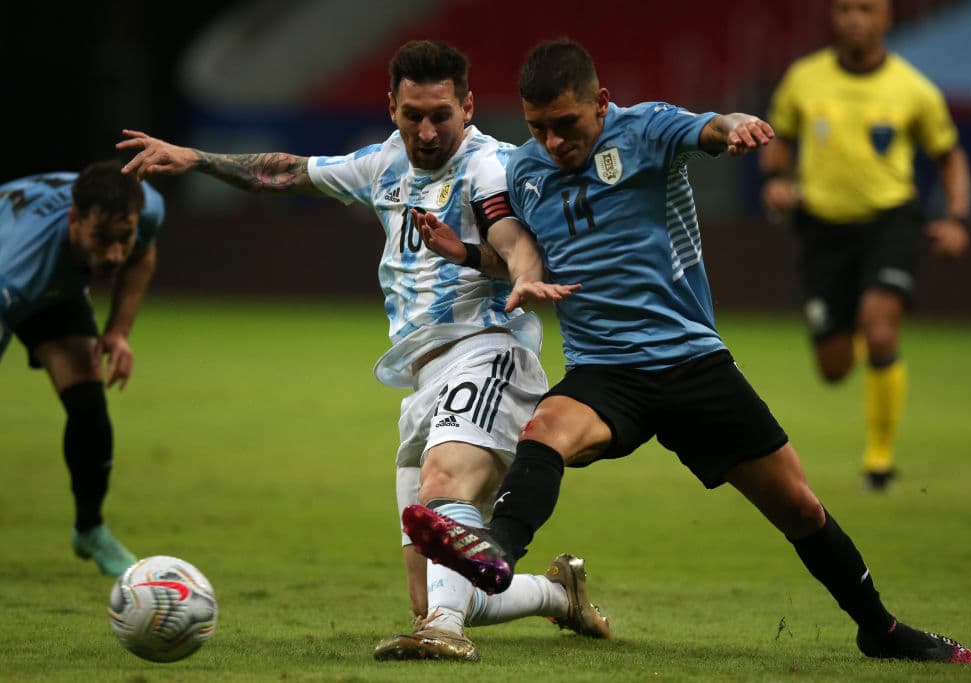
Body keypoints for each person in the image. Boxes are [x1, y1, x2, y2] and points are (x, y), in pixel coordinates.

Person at [402, 39, 971, 664]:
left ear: (601, 102)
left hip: (691, 362)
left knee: (798, 506)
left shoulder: (645, 129)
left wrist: (738, 128)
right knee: (544, 431)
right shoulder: (526, 171)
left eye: (566, 124)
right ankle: (497, 553)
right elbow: (524, 257)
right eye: (538, 128)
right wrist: (467, 255)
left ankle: (879, 629)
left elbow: (711, 127)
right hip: (604, 371)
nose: (553, 142)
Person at [117, 40, 608, 662]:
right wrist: (195, 159)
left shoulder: (489, 166)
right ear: (391, 108)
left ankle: (444, 635)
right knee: (435, 593)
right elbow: (287, 172)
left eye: (441, 116)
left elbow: (508, 233)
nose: (426, 132)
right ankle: (557, 593)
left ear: (468, 107)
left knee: (444, 484)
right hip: (422, 374)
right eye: (412, 116)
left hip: (488, 352)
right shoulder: (383, 163)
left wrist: (519, 271)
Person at [760, 0, 971, 490]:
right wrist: (775, 180)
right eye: (845, 9)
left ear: (886, 18)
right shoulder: (804, 78)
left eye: (867, 9)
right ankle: (856, 320)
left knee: (880, 331)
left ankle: (880, 460)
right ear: (834, 17)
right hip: (822, 228)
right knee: (834, 368)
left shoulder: (913, 88)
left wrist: (956, 218)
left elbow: (949, 155)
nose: (855, 19)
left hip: (889, 221)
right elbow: (780, 140)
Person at [1, 159, 164, 576]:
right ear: (74, 221)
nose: (113, 254)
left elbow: (142, 254)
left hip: (53, 286)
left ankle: (89, 530)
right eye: (101, 238)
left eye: (122, 238)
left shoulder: (145, 207)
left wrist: (118, 331)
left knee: (90, 410)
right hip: (15, 279)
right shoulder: (16, 268)